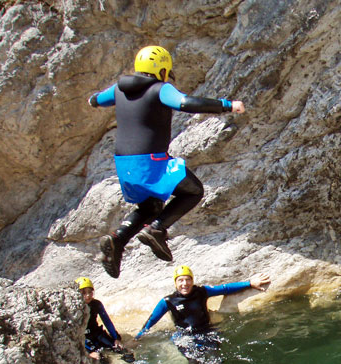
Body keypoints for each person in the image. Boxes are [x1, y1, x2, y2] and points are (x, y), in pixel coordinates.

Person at [88, 45, 246, 278]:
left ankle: (117, 239)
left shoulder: (118, 89)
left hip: (124, 165)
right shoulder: (159, 89)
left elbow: (95, 100)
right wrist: (226, 105)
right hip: (150, 161)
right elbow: (185, 102)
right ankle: (157, 229)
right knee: (193, 191)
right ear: (162, 69)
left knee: (150, 206)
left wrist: (92, 100)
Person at [135, 265, 270, 364]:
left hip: (206, 330)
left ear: (192, 280)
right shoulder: (168, 301)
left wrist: (250, 283)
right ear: (175, 283)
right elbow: (152, 319)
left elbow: (224, 288)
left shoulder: (201, 292)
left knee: (214, 353)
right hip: (185, 335)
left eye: (188, 280)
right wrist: (139, 336)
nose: (184, 284)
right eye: (180, 280)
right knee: (193, 357)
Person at [76, 277, 133, 363]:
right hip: (85, 338)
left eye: (90, 292)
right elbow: (75, 335)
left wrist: (116, 338)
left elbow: (107, 321)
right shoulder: (76, 309)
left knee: (121, 350)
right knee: (100, 359)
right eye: (83, 292)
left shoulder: (96, 304)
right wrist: (87, 353)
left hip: (97, 333)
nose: (87, 295)